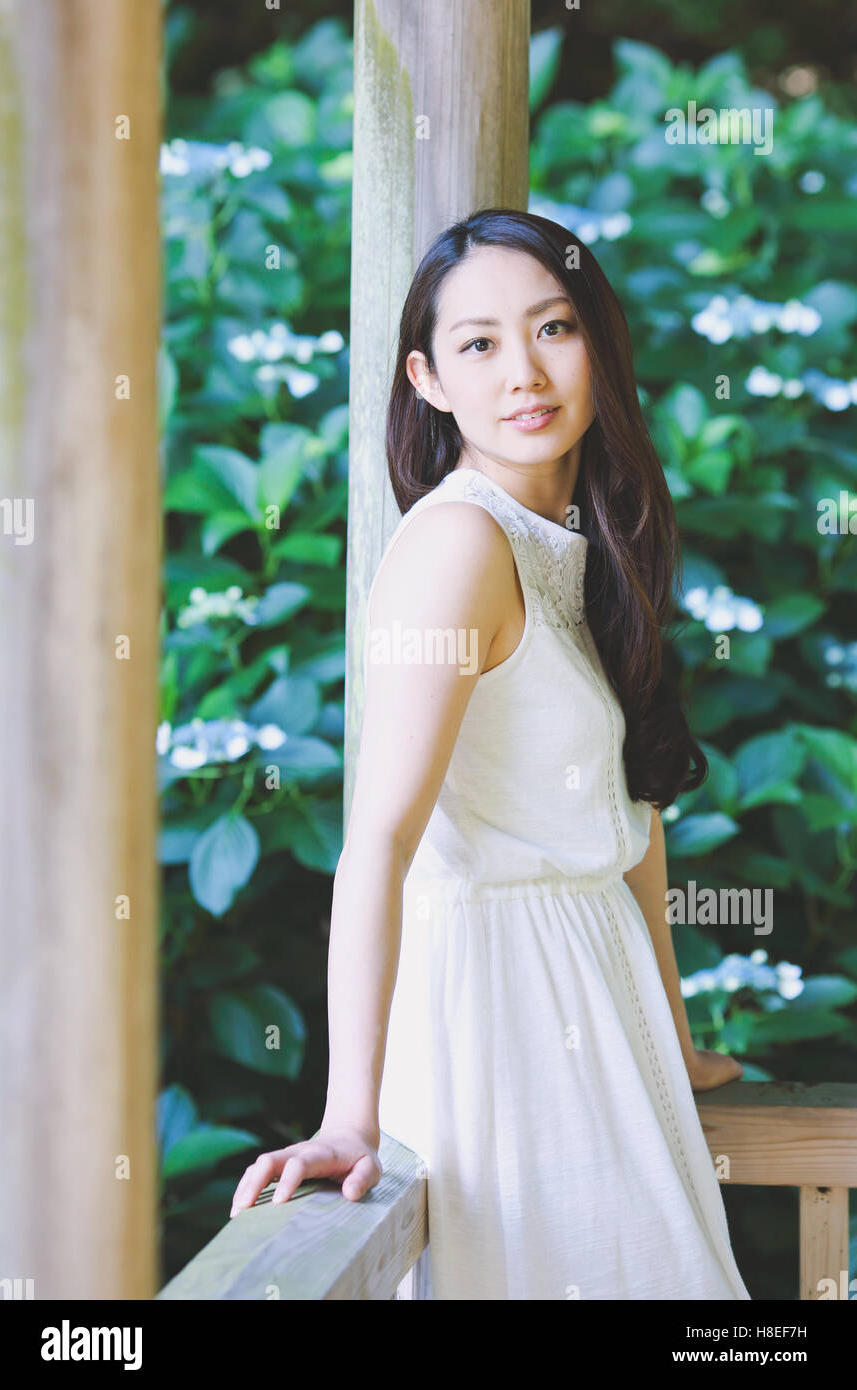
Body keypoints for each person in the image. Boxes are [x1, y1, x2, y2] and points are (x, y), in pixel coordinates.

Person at [230, 208, 751, 1301]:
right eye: (476, 344)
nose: (522, 370)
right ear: (427, 379)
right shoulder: (460, 545)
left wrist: (680, 1040)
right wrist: (348, 1114)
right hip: (505, 1025)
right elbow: (377, 837)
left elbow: (629, 827)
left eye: (552, 328)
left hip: (605, 1019)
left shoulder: (579, 545)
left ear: (599, 344)